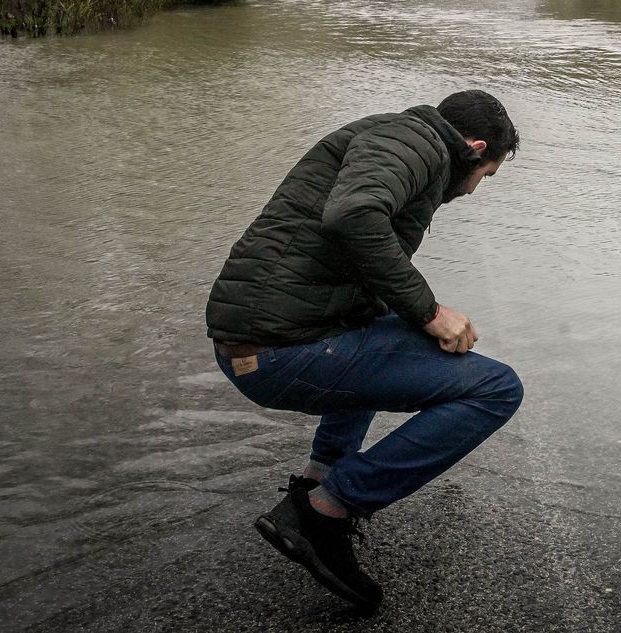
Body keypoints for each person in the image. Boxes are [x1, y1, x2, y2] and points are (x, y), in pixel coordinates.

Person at [206, 90, 523, 613]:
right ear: (475, 148)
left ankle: (317, 484)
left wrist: (414, 320)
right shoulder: (416, 144)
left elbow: (354, 254)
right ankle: (328, 511)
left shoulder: (397, 136)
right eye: (485, 176)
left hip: (266, 340)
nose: (472, 191)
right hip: (277, 352)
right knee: (496, 389)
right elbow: (353, 216)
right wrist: (430, 312)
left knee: (380, 328)